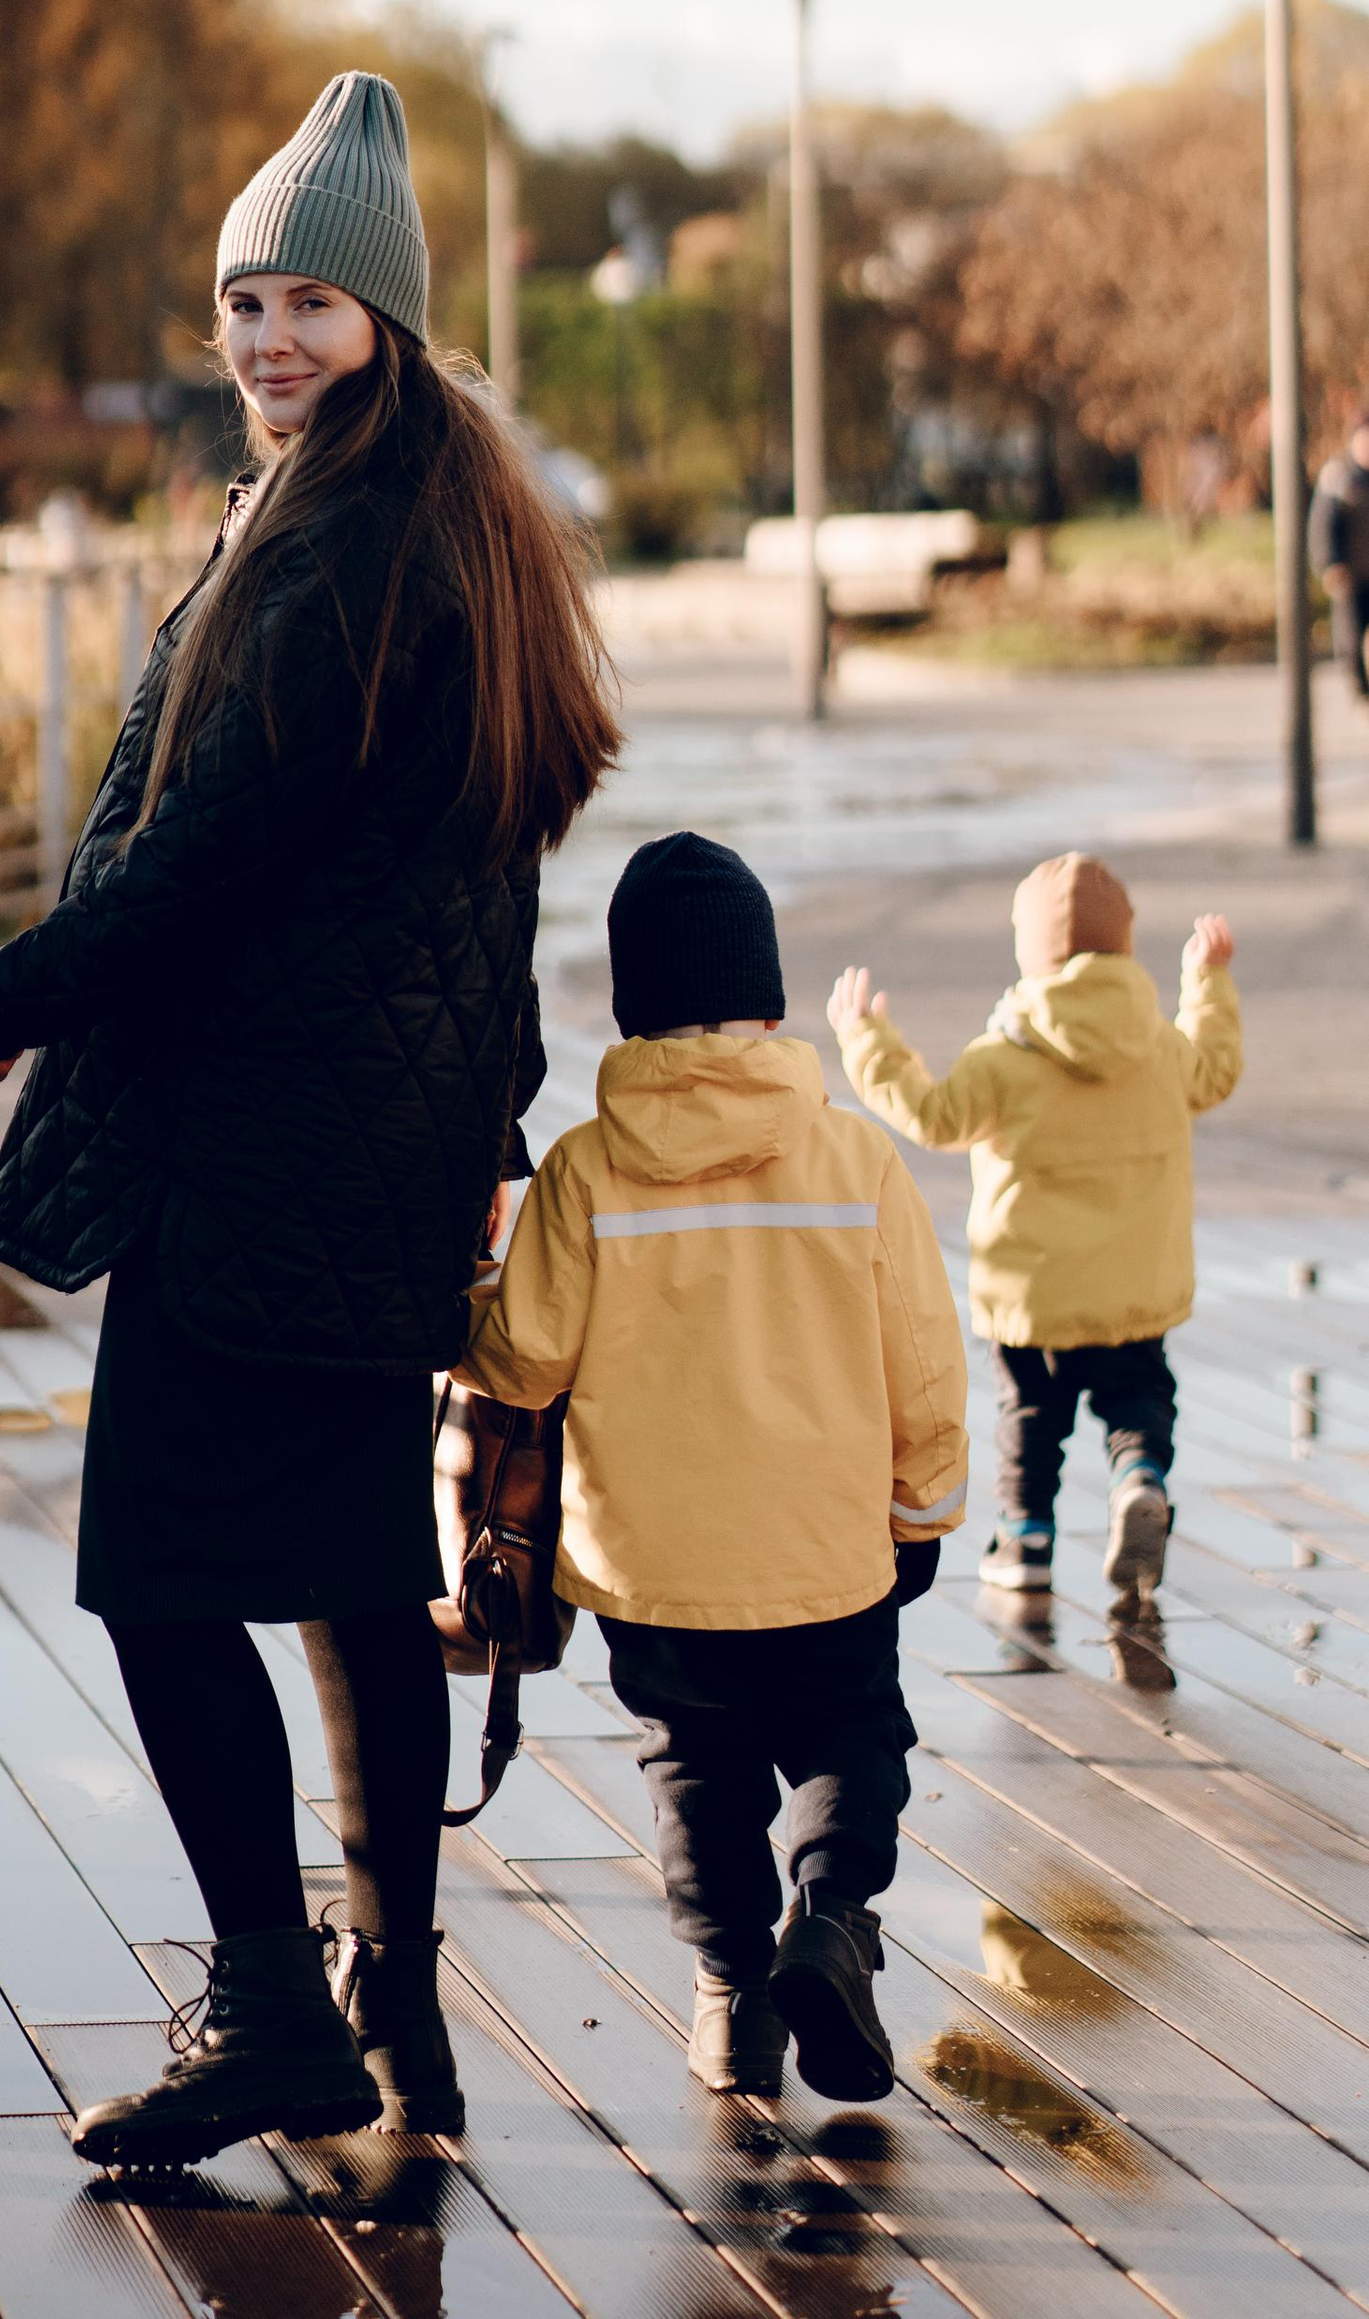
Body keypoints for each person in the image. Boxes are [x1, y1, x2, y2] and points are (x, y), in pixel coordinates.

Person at [0, 72, 617, 2166]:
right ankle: (387, 1989)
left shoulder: (341, 555)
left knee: (161, 1574)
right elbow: (472, 890)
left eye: (307, 297)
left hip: (270, 1160)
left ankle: (277, 2011)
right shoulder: (435, 520)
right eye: (240, 300)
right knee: (356, 1577)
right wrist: (485, 1123)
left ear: (382, 313)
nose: (269, 337)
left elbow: (196, 862)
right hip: (377, 1171)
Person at [462, 833, 967, 2106]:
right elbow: (922, 1359)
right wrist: (923, 1509)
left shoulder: (583, 1169)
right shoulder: (853, 1160)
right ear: (773, 998)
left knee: (696, 1768)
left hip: (653, 1562)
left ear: (632, 1005)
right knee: (854, 1739)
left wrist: (470, 1291)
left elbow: (521, 1364)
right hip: (827, 1544)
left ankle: (733, 2000)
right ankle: (833, 1919)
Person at [835, 851, 1239, 1614]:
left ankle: (1024, 1540)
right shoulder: (1159, 1047)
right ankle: (1140, 1477)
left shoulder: (1006, 1055)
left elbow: (931, 1113)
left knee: (1029, 1420)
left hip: (1033, 1294)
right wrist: (1207, 981)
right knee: (1140, 1400)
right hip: (1135, 1290)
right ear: (1124, 946)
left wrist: (867, 1039)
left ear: (1031, 951)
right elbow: (1215, 1068)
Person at [1310, 418, 1369, 698]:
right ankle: (1360, 688)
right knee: (1351, 636)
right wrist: (1330, 563)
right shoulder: (1338, 476)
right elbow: (1322, 524)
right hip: (1352, 573)